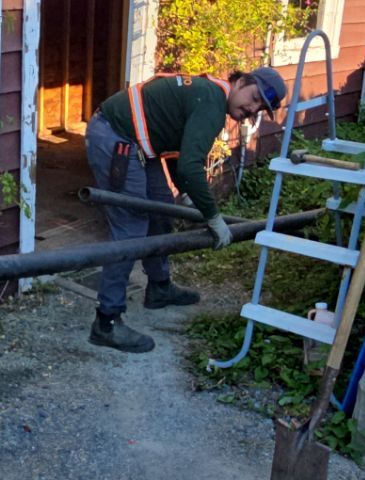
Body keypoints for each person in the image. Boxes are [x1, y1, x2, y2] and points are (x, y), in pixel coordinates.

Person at [83, 66, 287, 353]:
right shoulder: (212, 102)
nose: (250, 109)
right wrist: (213, 217)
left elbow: (180, 157)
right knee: (130, 229)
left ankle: (159, 287)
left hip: (141, 144)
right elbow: (191, 168)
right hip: (115, 136)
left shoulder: (208, 95)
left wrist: (192, 197)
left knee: (163, 209)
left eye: (258, 109)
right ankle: (107, 321)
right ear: (240, 81)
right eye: (253, 98)